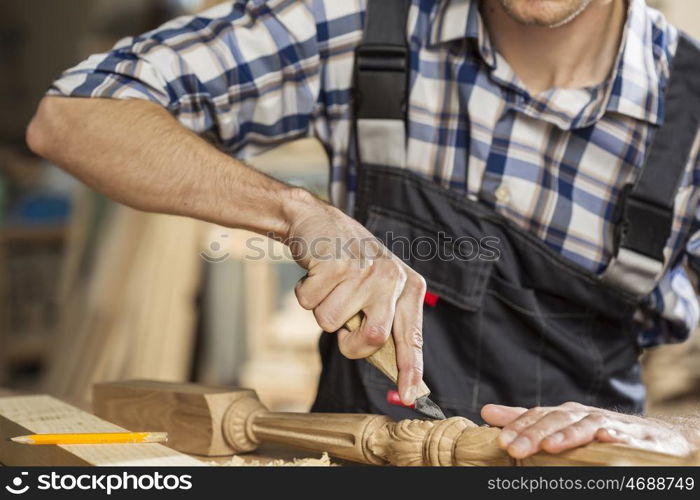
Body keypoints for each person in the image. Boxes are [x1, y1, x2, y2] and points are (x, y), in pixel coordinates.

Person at [27, 0, 700, 459]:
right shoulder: (360, 22)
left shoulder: (690, 114)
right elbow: (70, 118)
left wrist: (670, 435)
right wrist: (298, 212)